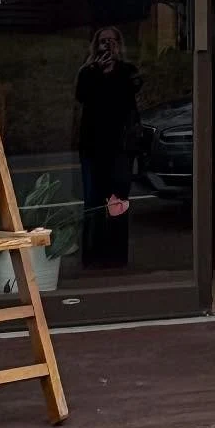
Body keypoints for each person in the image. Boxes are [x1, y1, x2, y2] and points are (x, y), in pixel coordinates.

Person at [75, 27, 142, 268]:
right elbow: (81, 95)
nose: (107, 46)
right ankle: (93, 256)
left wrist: (114, 71)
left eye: (112, 41)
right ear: (96, 45)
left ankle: (116, 256)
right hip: (93, 146)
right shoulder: (88, 71)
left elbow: (133, 90)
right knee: (93, 201)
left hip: (120, 147)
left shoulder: (127, 71)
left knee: (118, 201)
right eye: (103, 42)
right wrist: (98, 71)